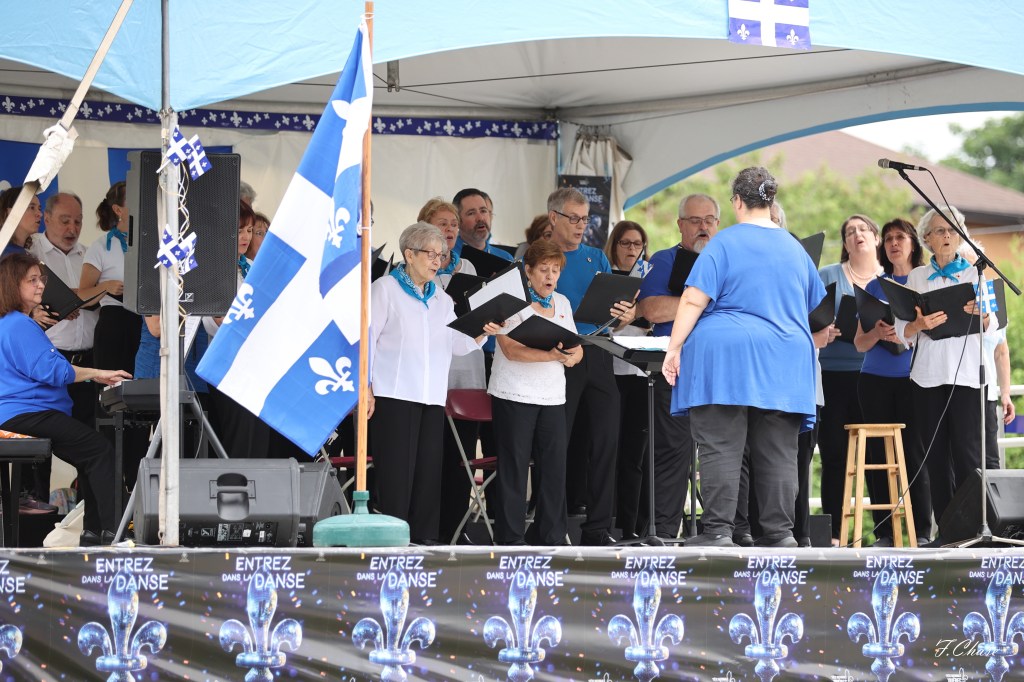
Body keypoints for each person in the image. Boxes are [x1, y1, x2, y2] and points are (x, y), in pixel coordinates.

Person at [662, 167, 824, 548]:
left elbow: (693, 298)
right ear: (771, 201)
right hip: (785, 357)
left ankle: (718, 532)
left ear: (737, 201)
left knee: (721, 443)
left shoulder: (723, 243)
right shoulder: (795, 249)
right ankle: (780, 534)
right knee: (779, 449)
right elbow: (814, 304)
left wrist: (674, 347)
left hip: (727, 357)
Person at [369, 222, 499, 544]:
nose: (437, 261)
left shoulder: (441, 298)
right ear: (409, 254)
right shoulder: (385, 289)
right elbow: (367, 340)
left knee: (428, 473)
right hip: (393, 394)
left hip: (431, 395)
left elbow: (455, 343)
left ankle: (424, 540)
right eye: (431, 254)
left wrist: (482, 331)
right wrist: (366, 387)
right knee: (397, 474)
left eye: (441, 255)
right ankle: (393, 540)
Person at [0, 253, 130, 545]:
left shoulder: (9, 322)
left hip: (20, 412)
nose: (40, 285)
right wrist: (98, 373)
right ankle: (116, 533)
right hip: (30, 412)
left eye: (41, 279)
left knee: (89, 457)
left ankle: (94, 533)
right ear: (12, 285)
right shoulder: (20, 324)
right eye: (32, 280)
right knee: (100, 451)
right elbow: (53, 371)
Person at [895, 206, 995, 529]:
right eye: (940, 230)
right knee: (935, 457)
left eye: (953, 229)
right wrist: (918, 324)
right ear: (927, 238)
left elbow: (995, 325)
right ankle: (948, 530)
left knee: (968, 456)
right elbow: (901, 329)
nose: (948, 235)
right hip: (927, 377)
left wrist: (984, 316)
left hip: (967, 376)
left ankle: (974, 526)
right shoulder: (916, 277)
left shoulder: (977, 274)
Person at [550, 187, 636, 545]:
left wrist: (625, 314)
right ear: (553, 217)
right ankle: (551, 525)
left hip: (599, 351)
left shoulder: (596, 257)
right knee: (558, 443)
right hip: (559, 353)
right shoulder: (539, 257)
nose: (580, 226)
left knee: (606, 440)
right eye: (573, 218)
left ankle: (598, 528)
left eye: (585, 219)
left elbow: (613, 315)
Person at [636, 194, 719, 540]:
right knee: (673, 454)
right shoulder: (665, 260)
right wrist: (704, 301)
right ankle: (665, 534)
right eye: (695, 221)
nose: (703, 227)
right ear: (680, 225)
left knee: (724, 454)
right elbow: (653, 310)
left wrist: (685, 304)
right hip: (675, 372)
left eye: (709, 220)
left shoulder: (727, 261)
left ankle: (723, 531)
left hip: (720, 372)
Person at [490, 240, 583, 544]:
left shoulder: (563, 303)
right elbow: (510, 350)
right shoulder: (510, 301)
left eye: (555, 270)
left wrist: (570, 356)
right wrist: (551, 355)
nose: (550, 276)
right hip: (514, 394)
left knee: (554, 470)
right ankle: (510, 540)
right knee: (514, 469)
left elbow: (577, 349)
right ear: (527, 271)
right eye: (544, 269)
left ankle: (550, 536)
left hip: (553, 397)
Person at [853, 218, 931, 546]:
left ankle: (922, 532)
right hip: (874, 380)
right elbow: (859, 344)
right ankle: (884, 533)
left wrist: (908, 332)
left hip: (915, 379)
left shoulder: (925, 281)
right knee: (877, 457)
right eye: (887, 239)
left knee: (916, 455)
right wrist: (877, 333)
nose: (893, 243)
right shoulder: (875, 286)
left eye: (900, 237)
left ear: (913, 243)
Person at [28, 192, 99, 510]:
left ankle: (88, 519)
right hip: (48, 362)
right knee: (39, 444)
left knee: (89, 440)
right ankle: (35, 513)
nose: (72, 228)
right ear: (46, 218)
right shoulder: (33, 254)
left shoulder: (90, 256)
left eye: (78, 221)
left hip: (87, 362)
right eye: (65, 220)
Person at [419, 197, 483, 542]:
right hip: (431, 376)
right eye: (442, 223)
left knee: (462, 456)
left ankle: (456, 530)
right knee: (431, 455)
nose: (450, 229)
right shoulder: (414, 268)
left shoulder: (468, 267)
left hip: (466, 371)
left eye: (454, 224)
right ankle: (426, 528)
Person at [817, 214, 882, 545]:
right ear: (845, 243)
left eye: (863, 229)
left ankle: (886, 532)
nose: (857, 234)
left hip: (877, 375)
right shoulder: (827, 275)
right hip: (833, 374)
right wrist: (823, 330)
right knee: (834, 455)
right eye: (850, 232)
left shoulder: (888, 278)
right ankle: (834, 535)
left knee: (877, 457)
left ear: (876, 237)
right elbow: (809, 317)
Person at [203, 200, 269, 459]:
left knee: (260, 442)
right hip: (228, 368)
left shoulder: (250, 267)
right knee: (239, 443)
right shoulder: (215, 268)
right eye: (239, 230)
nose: (245, 237)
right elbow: (213, 321)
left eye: (249, 230)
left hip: (256, 367)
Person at [605, 220, 652, 539]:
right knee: (609, 449)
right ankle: (607, 519)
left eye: (638, 244)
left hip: (641, 372)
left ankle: (632, 525)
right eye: (626, 243)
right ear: (615, 245)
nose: (632, 249)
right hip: (610, 370)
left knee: (636, 453)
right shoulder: (605, 275)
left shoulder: (649, 278)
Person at [80, 182, 141, 375]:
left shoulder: (153, 242)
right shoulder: (100, 247)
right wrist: (105, 287)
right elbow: (81, 296)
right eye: (134, 198)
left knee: (145, 386)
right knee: (113, 386)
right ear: (118, 209)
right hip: (114, 324)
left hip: (147, 324)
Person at [451, 188, 514, 260]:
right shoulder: (446, 258)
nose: (480, 218)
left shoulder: (505, 258)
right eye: (471, 213)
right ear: (457, 221)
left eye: (483, 211)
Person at [0, 185, 42, 259]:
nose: (40, 214)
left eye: (39, 208)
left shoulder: (30, 253)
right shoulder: (6, 256)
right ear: (10, 212)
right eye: (32, 207)